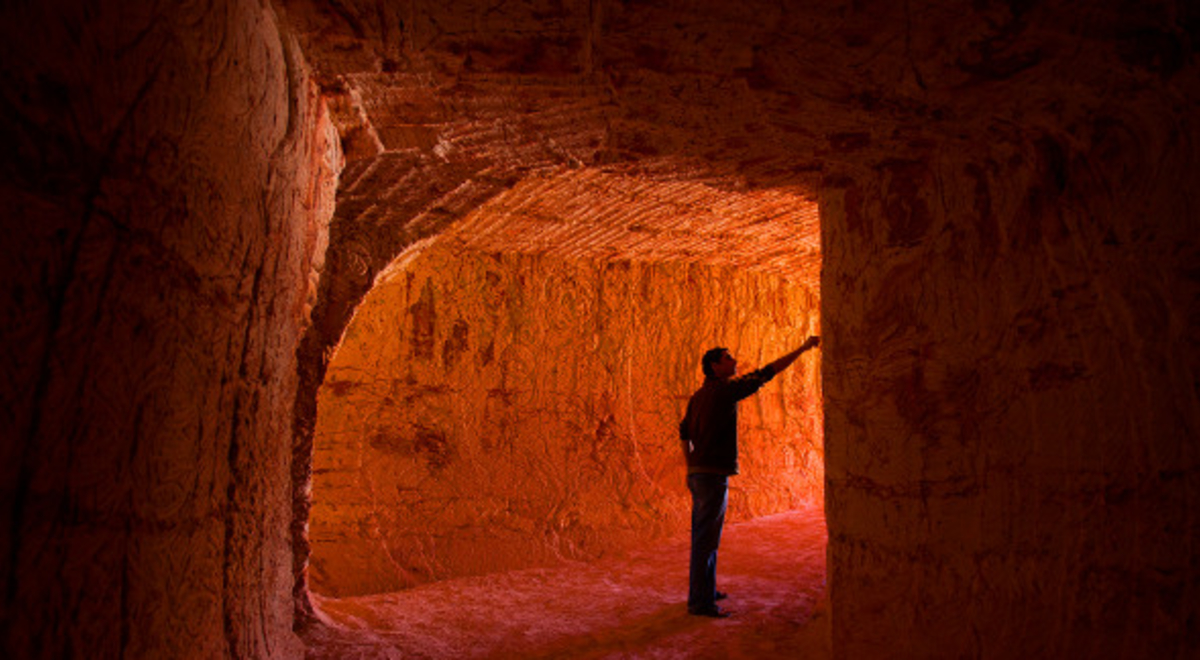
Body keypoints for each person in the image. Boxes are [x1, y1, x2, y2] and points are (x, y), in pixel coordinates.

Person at [678, 336, 821, 617]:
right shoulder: (724, 391)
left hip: (698, 473)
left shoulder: (697, 397)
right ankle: (700, 602)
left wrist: (690, 464)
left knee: (705, 535)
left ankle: (705, 591)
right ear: (715, 366)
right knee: (706, 538)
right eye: (728, 358)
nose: (734, 362)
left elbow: (684, 433)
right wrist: (803, 348)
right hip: (712, 474)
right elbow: (766, 373)